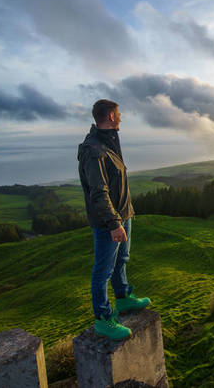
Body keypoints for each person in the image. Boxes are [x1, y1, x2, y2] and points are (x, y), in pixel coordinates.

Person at [77, 99, 151, 340]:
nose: (121, 118)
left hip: (122, 214)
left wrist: (124, 216)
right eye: (118, 114)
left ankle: (124, 298)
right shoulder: (94, 150)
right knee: (103, 270)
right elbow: (99, 192)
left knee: (122, 260)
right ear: (110, 116)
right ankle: (103, 318)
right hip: (108, 222)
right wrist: (114, 223)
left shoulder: (108, 142)